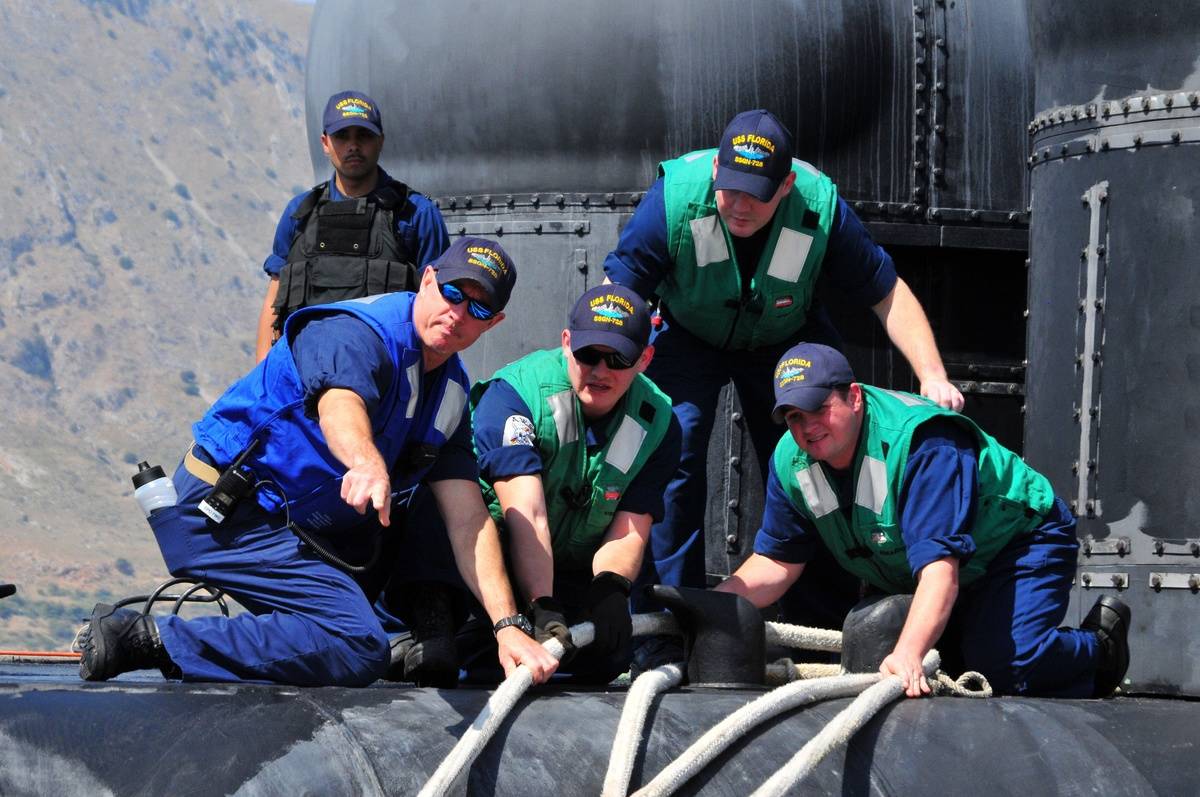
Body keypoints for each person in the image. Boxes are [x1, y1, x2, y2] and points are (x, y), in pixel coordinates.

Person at [77, 237, 559, 687]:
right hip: (226, 515)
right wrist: (366, 462)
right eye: (453, 293)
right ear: (428, 280)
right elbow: (340, 403)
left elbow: (468, 519)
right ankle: (145, 638)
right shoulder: (354, 333)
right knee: (356, 643)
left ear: (493, 322)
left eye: (478, 308)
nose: (458, 313)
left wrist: (507, 625)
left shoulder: (451, 391)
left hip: (307, 528)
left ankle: (410, 638)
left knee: (433, 508)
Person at [602, 109, 964, 657]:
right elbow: (617, 297)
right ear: (716, 170)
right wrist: (605, 372)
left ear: (787, 184)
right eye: (730, 190)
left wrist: (933, 376)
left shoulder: (820, 207)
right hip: (688, 335)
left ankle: (823, 631)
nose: (740, 205)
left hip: (782, 334)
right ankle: (669, 628)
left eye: (757, 194)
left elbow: (886, 291)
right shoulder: (674, 199)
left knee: (822, 457)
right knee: (671, 454)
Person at [715, 342, 1131, 698]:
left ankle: (1099, 649)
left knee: (1006, 664)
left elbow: (939, 570)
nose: (808, 427)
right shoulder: (791, 462)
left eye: (818, 409)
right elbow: (777, 562)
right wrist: (713, 607)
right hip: (927, 566)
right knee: (931, 653)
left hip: (1019, 538)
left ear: (854, 397)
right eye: (794, 417)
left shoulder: (923, 445)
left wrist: (908, 655)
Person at [386, 284, 681, 685]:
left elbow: (632, 525)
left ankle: (478, 643)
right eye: (588, 355)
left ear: (644, 359)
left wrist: (610, 587)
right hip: (490, 556)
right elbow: (528, 511)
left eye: (618, 359)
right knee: (437, 503)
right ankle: (431, 630)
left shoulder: (658, 422)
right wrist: (543, 605)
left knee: (606, 656)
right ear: (567, 343)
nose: (600, 371)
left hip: (565, 562)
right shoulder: (516, 395)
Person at [255, 89, 450, 361]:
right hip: (301, 372)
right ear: (325, 143)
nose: (353, 145)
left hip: (386, 374)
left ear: (381, 141)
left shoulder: (416, 214)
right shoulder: (299, 214)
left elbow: (443, 309)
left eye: (364, 136)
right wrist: (263, 377)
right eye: (342, 136)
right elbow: (274, 301)